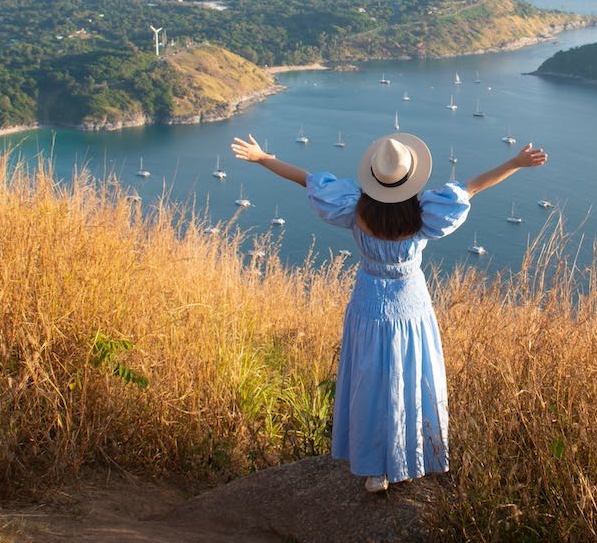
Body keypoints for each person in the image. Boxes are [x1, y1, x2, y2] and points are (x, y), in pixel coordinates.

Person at [231, 130, 547, 493]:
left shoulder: (354, 207)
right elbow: (473, 186)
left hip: (368, 303)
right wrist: (516, 163)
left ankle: (374, 468)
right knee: (411, 378)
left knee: (371, 382)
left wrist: (261, 157)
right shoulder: (425, 211)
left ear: (374, 176)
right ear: (410, 178)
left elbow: (305, 178)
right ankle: (413, 458)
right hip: (411, 306)